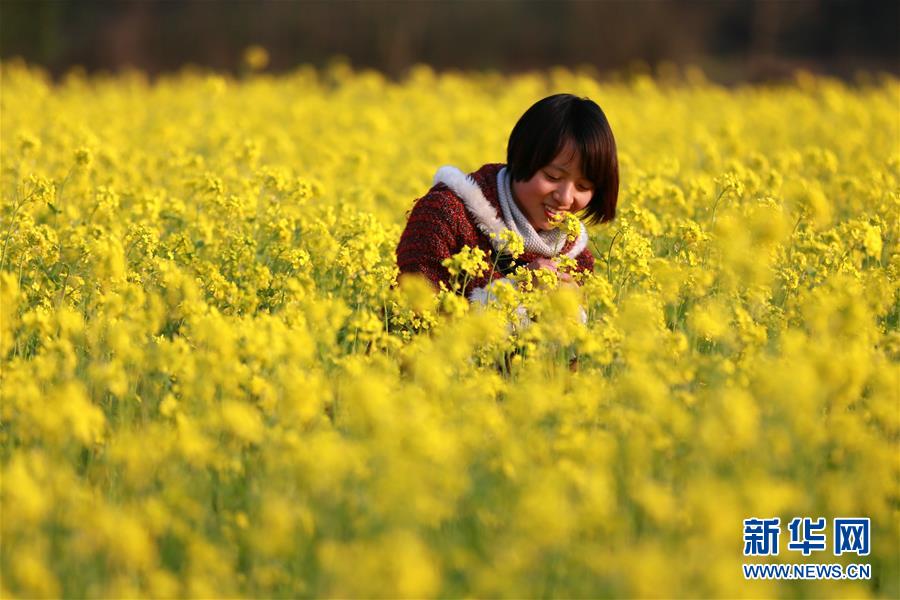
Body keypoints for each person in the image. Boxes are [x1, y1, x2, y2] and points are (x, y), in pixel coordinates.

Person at [396, 93, 618, 303]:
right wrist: (514, 291)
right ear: (522, 157)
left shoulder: (576, 258)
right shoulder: (445, 216)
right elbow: (410, 320)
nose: (565, 198)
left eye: (583, 186)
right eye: (553, 176)